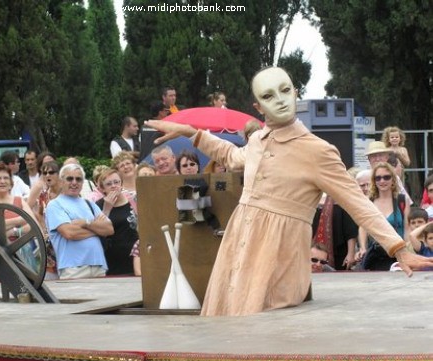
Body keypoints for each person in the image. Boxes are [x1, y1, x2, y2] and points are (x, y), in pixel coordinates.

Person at [145, 66, 433, 316]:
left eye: (284, 90)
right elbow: (232, 157)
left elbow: (359, 203)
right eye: (268, 96)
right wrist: (192, 134)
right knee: (229, 324)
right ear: (257, 107)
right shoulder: (257, 140)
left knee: (271, 336)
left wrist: (398, 248)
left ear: (296, 92)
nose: (280, 100)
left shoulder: (318, 151)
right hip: (238, 245)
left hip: (279, 252)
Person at [45, 164, 113, 279]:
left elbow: (109, 229)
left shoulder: (89, 204)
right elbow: (70, 233)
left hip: (99, 265)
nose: (74, 182)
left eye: (78, 179)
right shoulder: (54, 205)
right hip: (73, 268)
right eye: (70, 178)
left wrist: (86, 223)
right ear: (61, 182)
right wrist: (97, 229)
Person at [0, 163, 42, 271]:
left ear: (11, 182)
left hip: (22, 256)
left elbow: (34, 226)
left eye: (6, 178)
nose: (2, 181)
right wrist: (20, 220)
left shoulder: (19, 200)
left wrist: (13, 232)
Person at [358, 162, 410, 270]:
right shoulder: (369, 201)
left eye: (386, 177)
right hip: (376, 254)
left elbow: (407, 229)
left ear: (393, 179)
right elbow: (363, 227)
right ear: (374, 181)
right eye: (378, 178)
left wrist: (407, 251)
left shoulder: (402, 200)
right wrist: (363, 248)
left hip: (398, 254)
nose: (382, 181)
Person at [96, 168, 139, 275]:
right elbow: (99, 230)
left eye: (116, 182)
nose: (114, 186)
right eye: (109, 184)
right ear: (102, 189)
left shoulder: (132, 200)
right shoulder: (98, 205)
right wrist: (107, 209)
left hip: (134, 257)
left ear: (121, 184)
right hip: (111, 259)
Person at [35, 160, 62, 279]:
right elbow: (39, 214)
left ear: (59, 174)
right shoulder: (43, 195)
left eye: (51, 172)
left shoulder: (67, 194)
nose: (47, 175)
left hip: (65, 240)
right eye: (44, 173)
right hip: (50, 245)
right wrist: (44, 230)